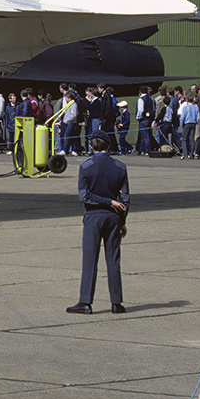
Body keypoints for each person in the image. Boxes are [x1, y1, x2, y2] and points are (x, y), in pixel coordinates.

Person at [68, 134, 129, 314]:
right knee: (113, 259)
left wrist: (107, 202)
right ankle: (116, 302)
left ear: (90, 145)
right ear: (108, 145)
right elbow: (125, 198)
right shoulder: (120, 167)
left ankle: (85, 301)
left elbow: (84, 196)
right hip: (114, 217)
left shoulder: (86, 167)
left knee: (90, 260)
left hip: (94, 216)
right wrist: (122, 221)